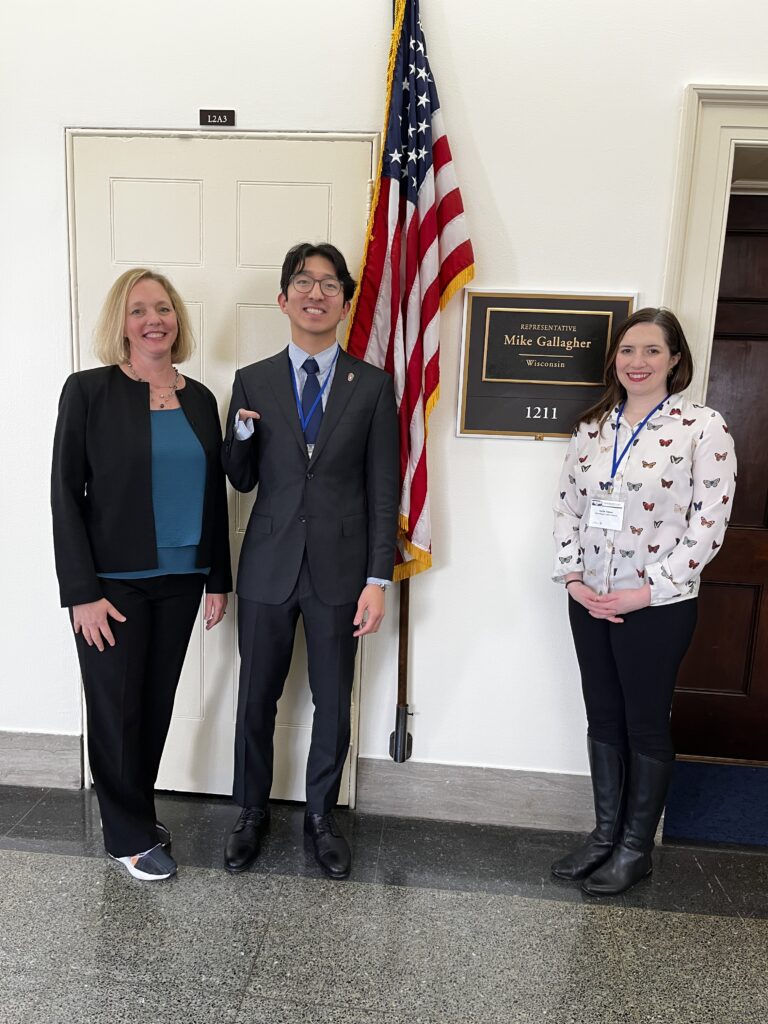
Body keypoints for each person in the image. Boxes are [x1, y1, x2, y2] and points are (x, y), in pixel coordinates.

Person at [222, 242, 399, 880]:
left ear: (345, 302)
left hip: (342, 573)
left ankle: (321, 818)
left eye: (328, 284)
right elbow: (239, 481)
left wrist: (378, 580)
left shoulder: (374, 385)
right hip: (268, 566)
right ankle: (250, 814)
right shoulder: (253, 379)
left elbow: (385, 489)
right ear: (283, 298)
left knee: (332, 697)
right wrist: (239, 436)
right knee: (255, 699)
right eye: (303, 281)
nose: (315, 293)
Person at [51, 268, 231, 881]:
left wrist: (218, 578)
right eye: (138, 310)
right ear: (120, 324)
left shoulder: (201, 397)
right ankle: (126, 837)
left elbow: (215, 498)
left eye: (163, 308)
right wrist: (81, 593)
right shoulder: (88, 392)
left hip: (182, 579)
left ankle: (136, 812)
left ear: (177, 318)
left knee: (152, 708)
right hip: (113, 585)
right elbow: (64, 496)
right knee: (116, 711)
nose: (154, 319)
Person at [551, 307, 735, 896]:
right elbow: (567, 508)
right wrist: (575, 580)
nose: (637, 362)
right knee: (602, 716)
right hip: (589, 600)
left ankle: (636, 849)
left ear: (675, 359)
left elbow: (709, 525)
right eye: (628, 351)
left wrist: (647, 588)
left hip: (657, 605)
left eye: (652, 351)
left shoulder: (703, 427)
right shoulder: (593, 427)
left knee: (644, 722)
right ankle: (605, 836)